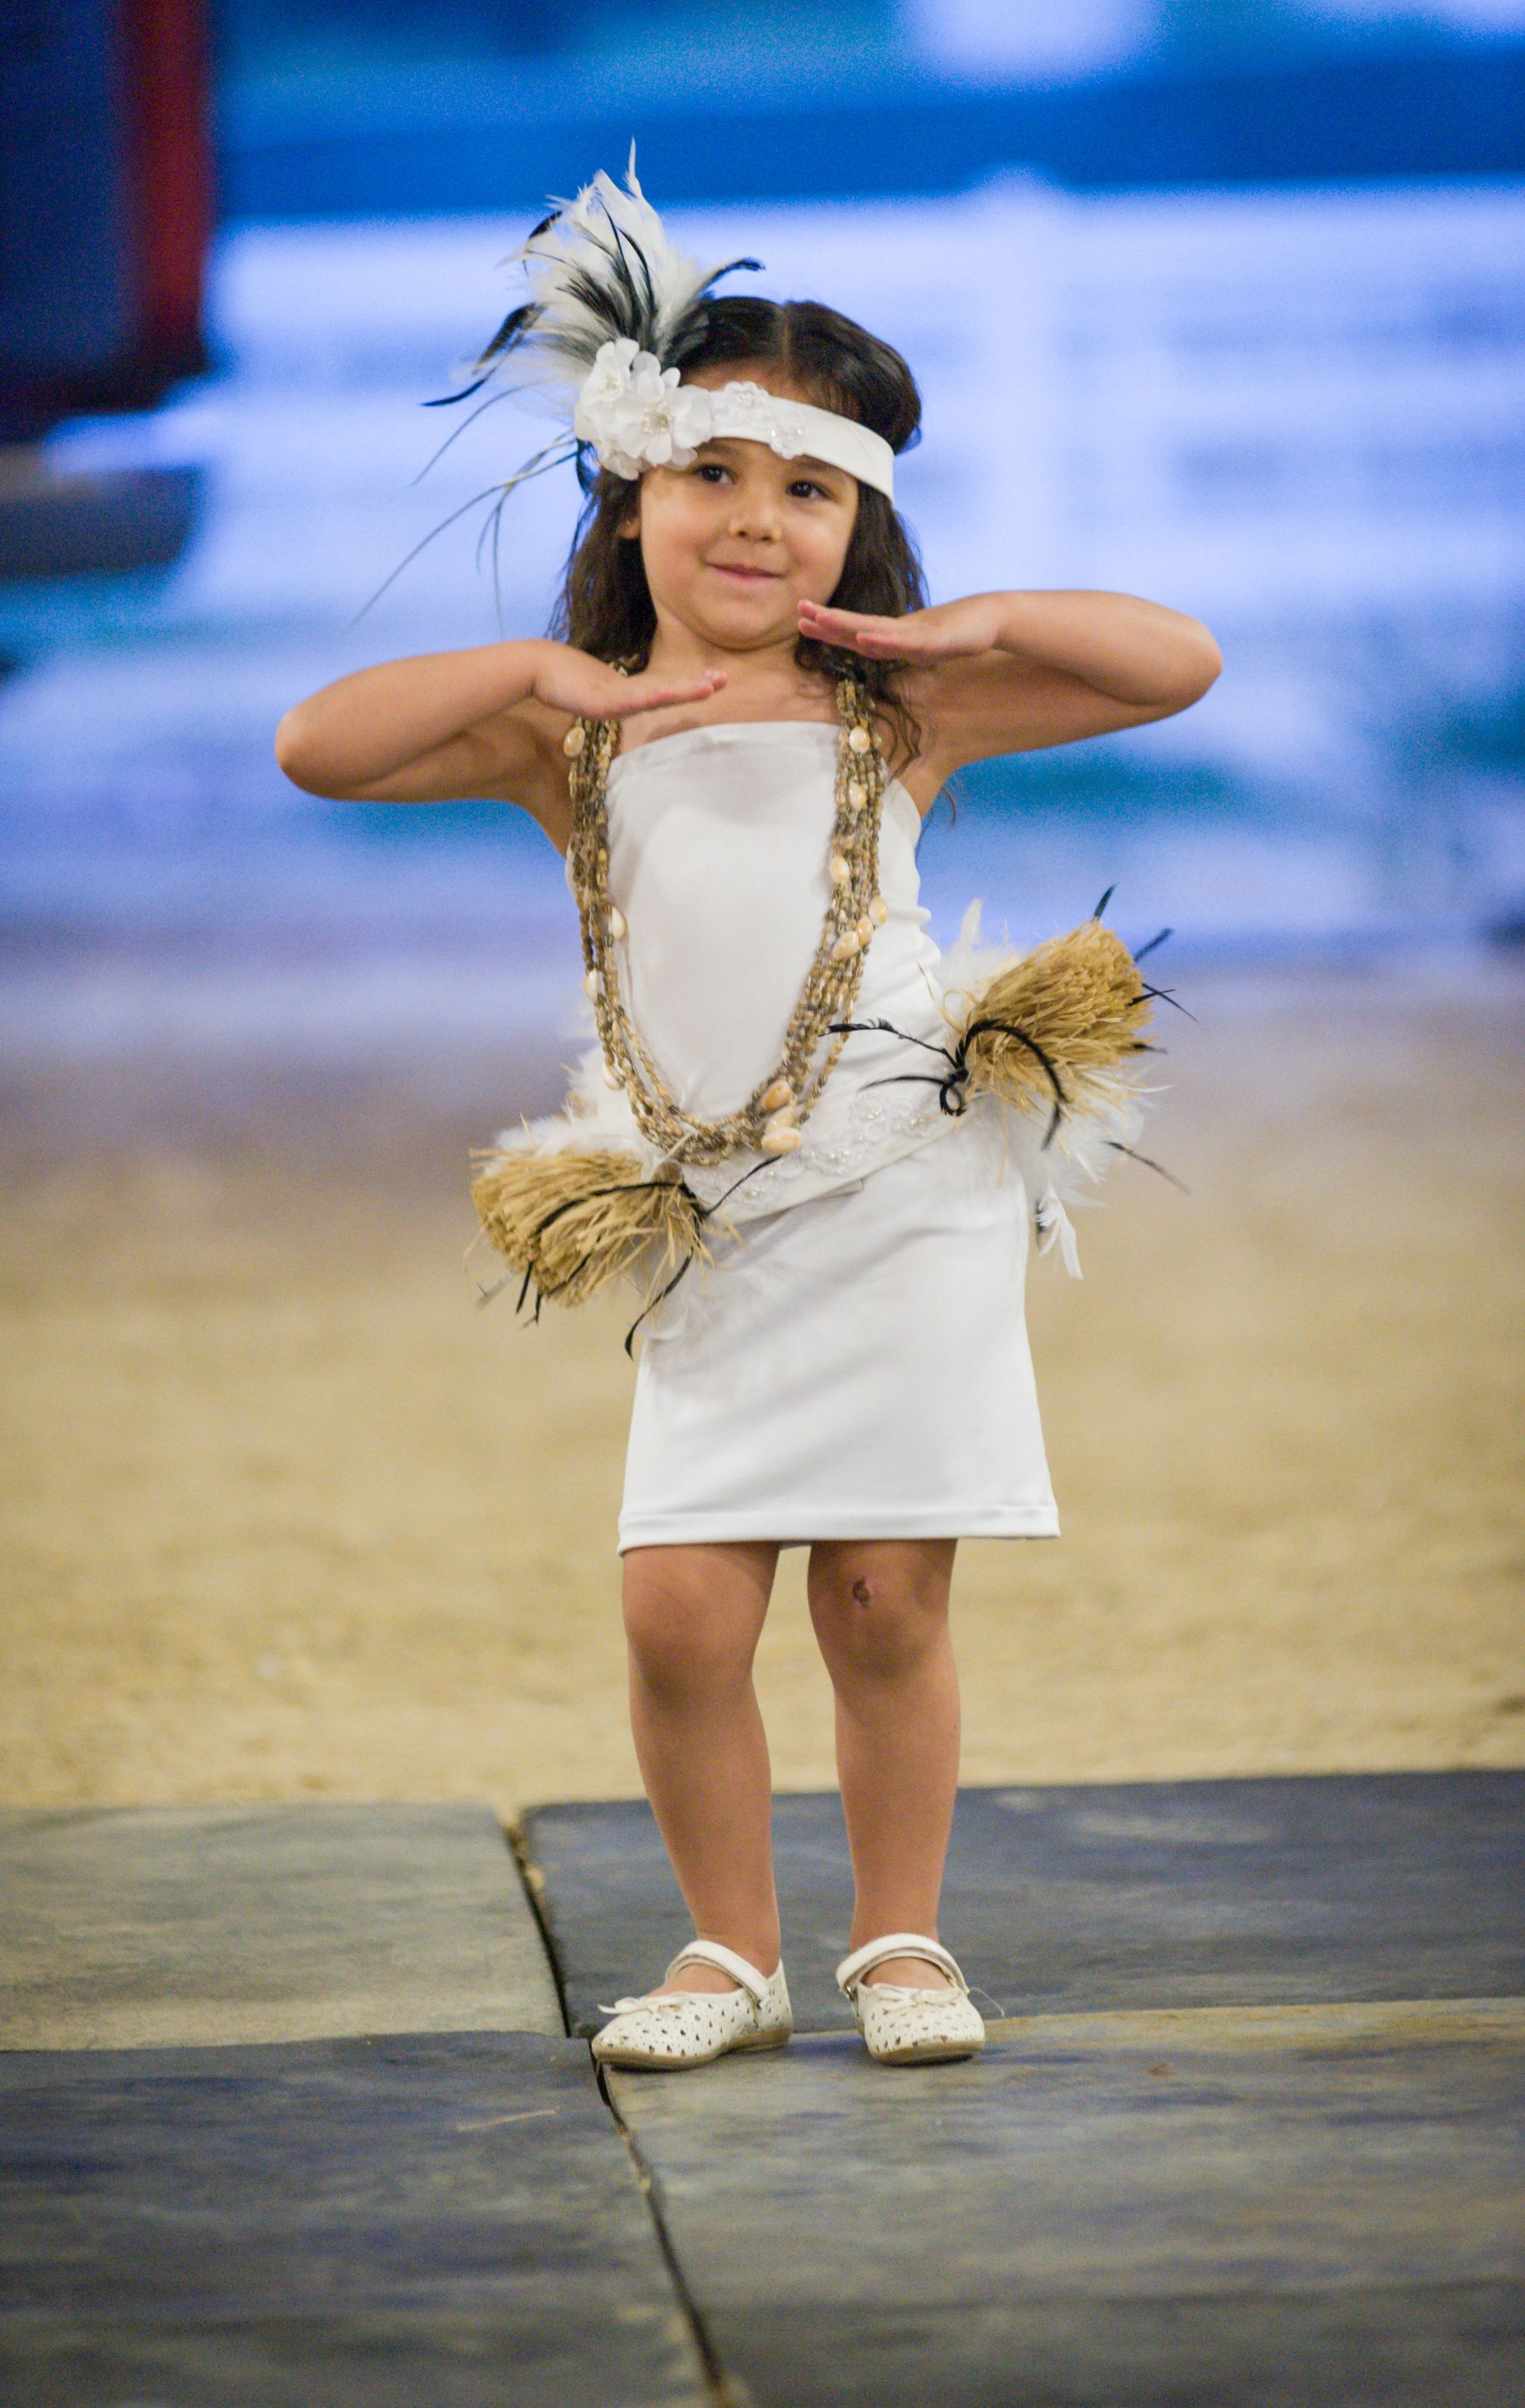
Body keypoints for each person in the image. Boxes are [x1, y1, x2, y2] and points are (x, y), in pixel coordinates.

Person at [276, 164, 1220, 2071]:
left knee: (883, 1598)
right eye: (713, 474)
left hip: (897, 1192)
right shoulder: (573, 736)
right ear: (633, 492)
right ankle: (730, 1952)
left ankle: (897, 1943)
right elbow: (320, 745)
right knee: (683, 1619)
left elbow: (1176, 663)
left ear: (860, 522)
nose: (758, 520)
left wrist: (980, 622)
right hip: (710, 1219)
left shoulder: (899, 721)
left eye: (811, 489)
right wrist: (553, 675)